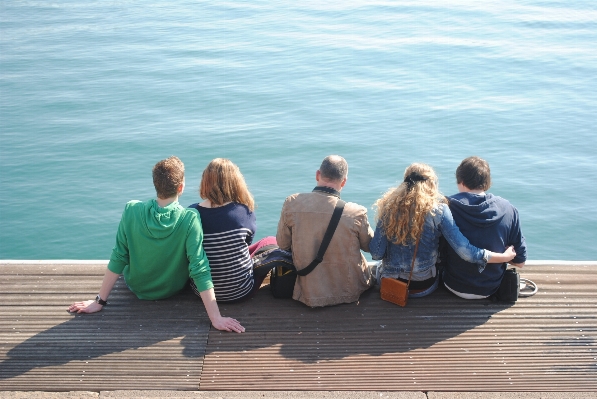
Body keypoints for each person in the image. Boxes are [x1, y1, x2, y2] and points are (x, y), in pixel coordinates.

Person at [68, 156, 244, 333]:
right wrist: (216, 318)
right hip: (171, 289)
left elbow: (119, 255)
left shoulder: (132, 210)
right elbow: (199, 268)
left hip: (135, 286)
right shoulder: (189, 218)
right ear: (180, 187)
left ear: (155, 184)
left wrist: (99, 301)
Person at [370, 163, 516, 298]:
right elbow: (466, 252)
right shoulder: (438, 210)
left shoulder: (388, 208)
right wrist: (504, 257)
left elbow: (376, 253)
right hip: (423, 287)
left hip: (390, 284)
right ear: (431, 185)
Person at [276, 155, 375, 307]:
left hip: (308, 292)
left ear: (318, 175)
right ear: (343, 182)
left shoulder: (292, 203)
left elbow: (282, 244)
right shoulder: (356, 212)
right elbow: (370, 247)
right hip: (349, 292)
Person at [188, 158, 277, 303]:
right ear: (236, 182)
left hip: (201, 291)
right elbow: (247, 242)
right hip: (241, 292)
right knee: (270, 241)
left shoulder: (191, 213)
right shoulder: (243, 211)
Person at [443, 156, 527, 299]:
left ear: (461, 181)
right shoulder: (508, 209)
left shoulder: (446, 207)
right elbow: (520, 261)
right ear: (486, 182)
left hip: (453, 284)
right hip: (490, 287)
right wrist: (504, 256)